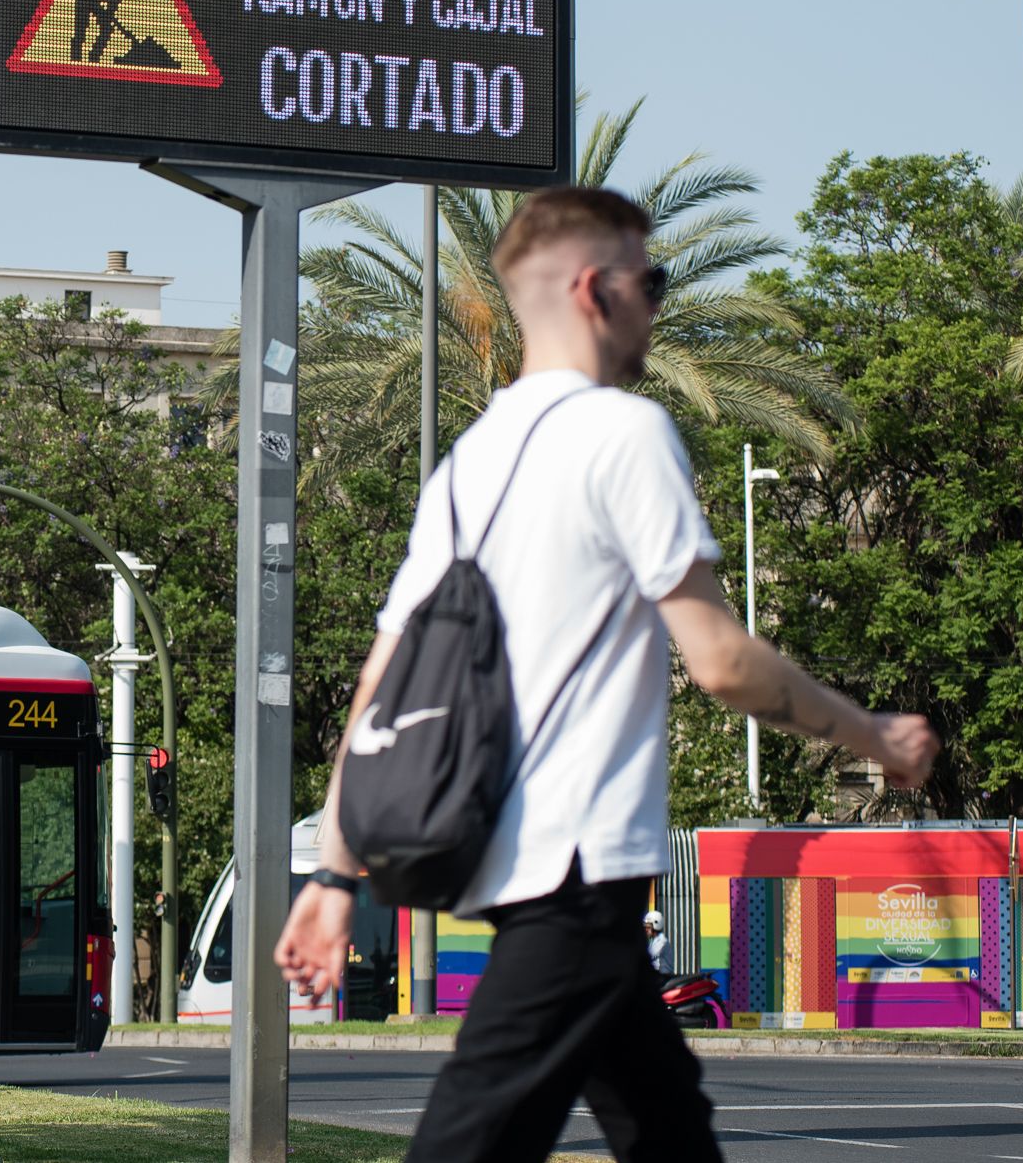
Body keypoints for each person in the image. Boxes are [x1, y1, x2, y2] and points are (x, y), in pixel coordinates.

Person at [274, 186, 940, 1163]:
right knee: (470, 1142)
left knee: (667, 1132)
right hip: (574, 873)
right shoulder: (622, 433)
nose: (658, 306)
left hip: (543, 874)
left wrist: (335, 873)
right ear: (595, 289)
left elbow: (381, 690)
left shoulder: (467, 464)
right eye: (651, 281)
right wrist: (872, 735)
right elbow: (720, 660)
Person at [643, 910, 671, 975]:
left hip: (663, 976)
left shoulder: (661, 942)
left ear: (656, 926)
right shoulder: (653, 941)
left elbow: (649, 956)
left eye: (648, 927)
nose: (646, 930)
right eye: (645, 927)